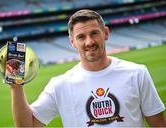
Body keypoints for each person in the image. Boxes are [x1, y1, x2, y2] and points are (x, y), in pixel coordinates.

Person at [10, 9, 166, 127]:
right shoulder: (59, 85)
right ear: (72, 42)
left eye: (94, 33)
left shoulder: (137, 73)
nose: (89, 42)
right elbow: (27, 125)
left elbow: (159, 124)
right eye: (81, 37)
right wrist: (16, 87)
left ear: (105, 33)